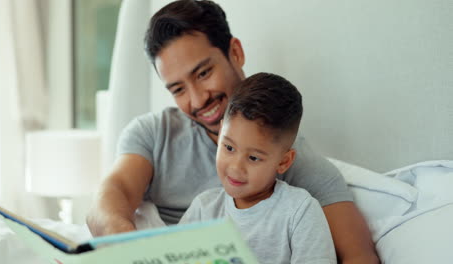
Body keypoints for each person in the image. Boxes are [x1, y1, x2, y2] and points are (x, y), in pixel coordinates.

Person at [87, 1, 379, 263]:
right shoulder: (153, 133)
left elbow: (358, 254)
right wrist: (126, 248)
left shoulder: (295, 166)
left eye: (203, 74)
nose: (198, 99)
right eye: (178, 89)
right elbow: (112, 196)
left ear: (235, 52)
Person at [179, 72, 337, 264]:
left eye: (253, 158)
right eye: (229, 147)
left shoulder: (300, 212)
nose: (236, 168)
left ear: (283, 162)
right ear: (221, 133)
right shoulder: (204, 209)